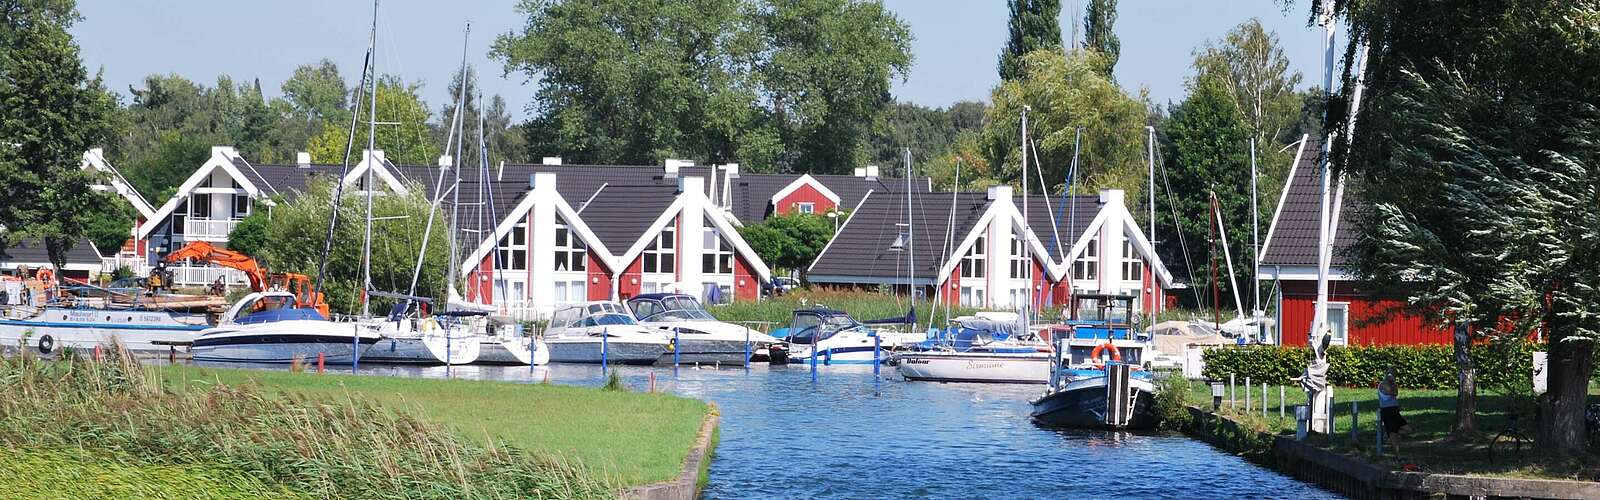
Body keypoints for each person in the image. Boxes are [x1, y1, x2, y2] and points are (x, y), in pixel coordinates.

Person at [1378, 368, 1413, 459]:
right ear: (1386, 374)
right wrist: (1393, 383)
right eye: (1389, 374)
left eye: (1393, 374)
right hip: (1388, 412)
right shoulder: (1383, 385)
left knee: (1409, 430)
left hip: (1395, 412)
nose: (1391, 376)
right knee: (1393, 436)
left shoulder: (1392, 384)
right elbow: (1394, 393)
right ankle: (1398, 457)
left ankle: (1388, 433)